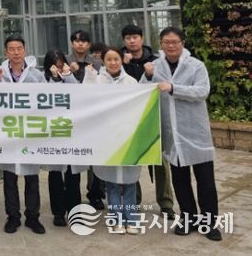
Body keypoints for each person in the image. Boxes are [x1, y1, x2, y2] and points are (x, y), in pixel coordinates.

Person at [143, 27, 222, 241]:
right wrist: (148, 76)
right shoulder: (155, 66)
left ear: (182, 43)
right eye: (166, 42)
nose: (171, 45)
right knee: (180, 181)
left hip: (195, 132)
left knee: (206, 182)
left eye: (175, 42)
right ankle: (188, 219)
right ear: (161, 44)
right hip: (172, 134)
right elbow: (143, 92)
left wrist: (173, 88)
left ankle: (210, 223)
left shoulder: (196, 65)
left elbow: (202, 91)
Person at [84, 47, 142, 235]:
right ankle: (117, 219)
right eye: (109, 59)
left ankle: (132, 219)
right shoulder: (97, 80)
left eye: (116, 59)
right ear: (103, 61)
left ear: (121, 60)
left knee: (130, 181)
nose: (113, 62)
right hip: (106, 138)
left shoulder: (131, 81)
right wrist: (89, 78)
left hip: (127, 138)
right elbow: (86, 101)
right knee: (112, 183)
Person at [121, 24, 176, 219]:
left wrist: (151, 74)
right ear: (124, 41)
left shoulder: (156, 60)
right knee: (131, 161)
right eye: (128, 37)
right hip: (128, 120)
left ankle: (166, 203)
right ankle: (133, 201)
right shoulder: (118, 60)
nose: (132, 41)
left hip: (154, 118)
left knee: (161, 161)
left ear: (142, 38)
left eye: (135, 37)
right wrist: (124, 66)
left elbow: (165, 84)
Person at [0, 36, 46, 235]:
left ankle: (33, 217)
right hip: (7, 132)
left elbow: (46, 99)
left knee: (32, 176)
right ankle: (13, 217)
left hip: (29, 131)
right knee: (9, 177)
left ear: (25, 50)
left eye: (19, 48)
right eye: (11, 49)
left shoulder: (36, 75)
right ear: (6, 52)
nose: (16, 52)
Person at [42, 49, 81, 227]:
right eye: (55, 66)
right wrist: (55, 79)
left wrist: (67, 75)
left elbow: (78, 93)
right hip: (53, 132)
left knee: (73, 175)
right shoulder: (43, 79)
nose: (58, 68)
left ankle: (75, 211)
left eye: (60, 65)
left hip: (71, 130)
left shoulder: (69, 76)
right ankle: (58, 212)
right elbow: (48, 98)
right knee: (55, 174)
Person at [67, 30, 105, 210]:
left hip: (93, 116)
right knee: (73, 158)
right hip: (71, 116)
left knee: (94, 156)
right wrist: (69, 72)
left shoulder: (97, 63)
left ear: (89, 44)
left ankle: (95, 194)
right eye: (77, 41)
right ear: (72, 43)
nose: (80, 44)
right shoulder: (65, 61)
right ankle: (72, 198)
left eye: (84, 41)